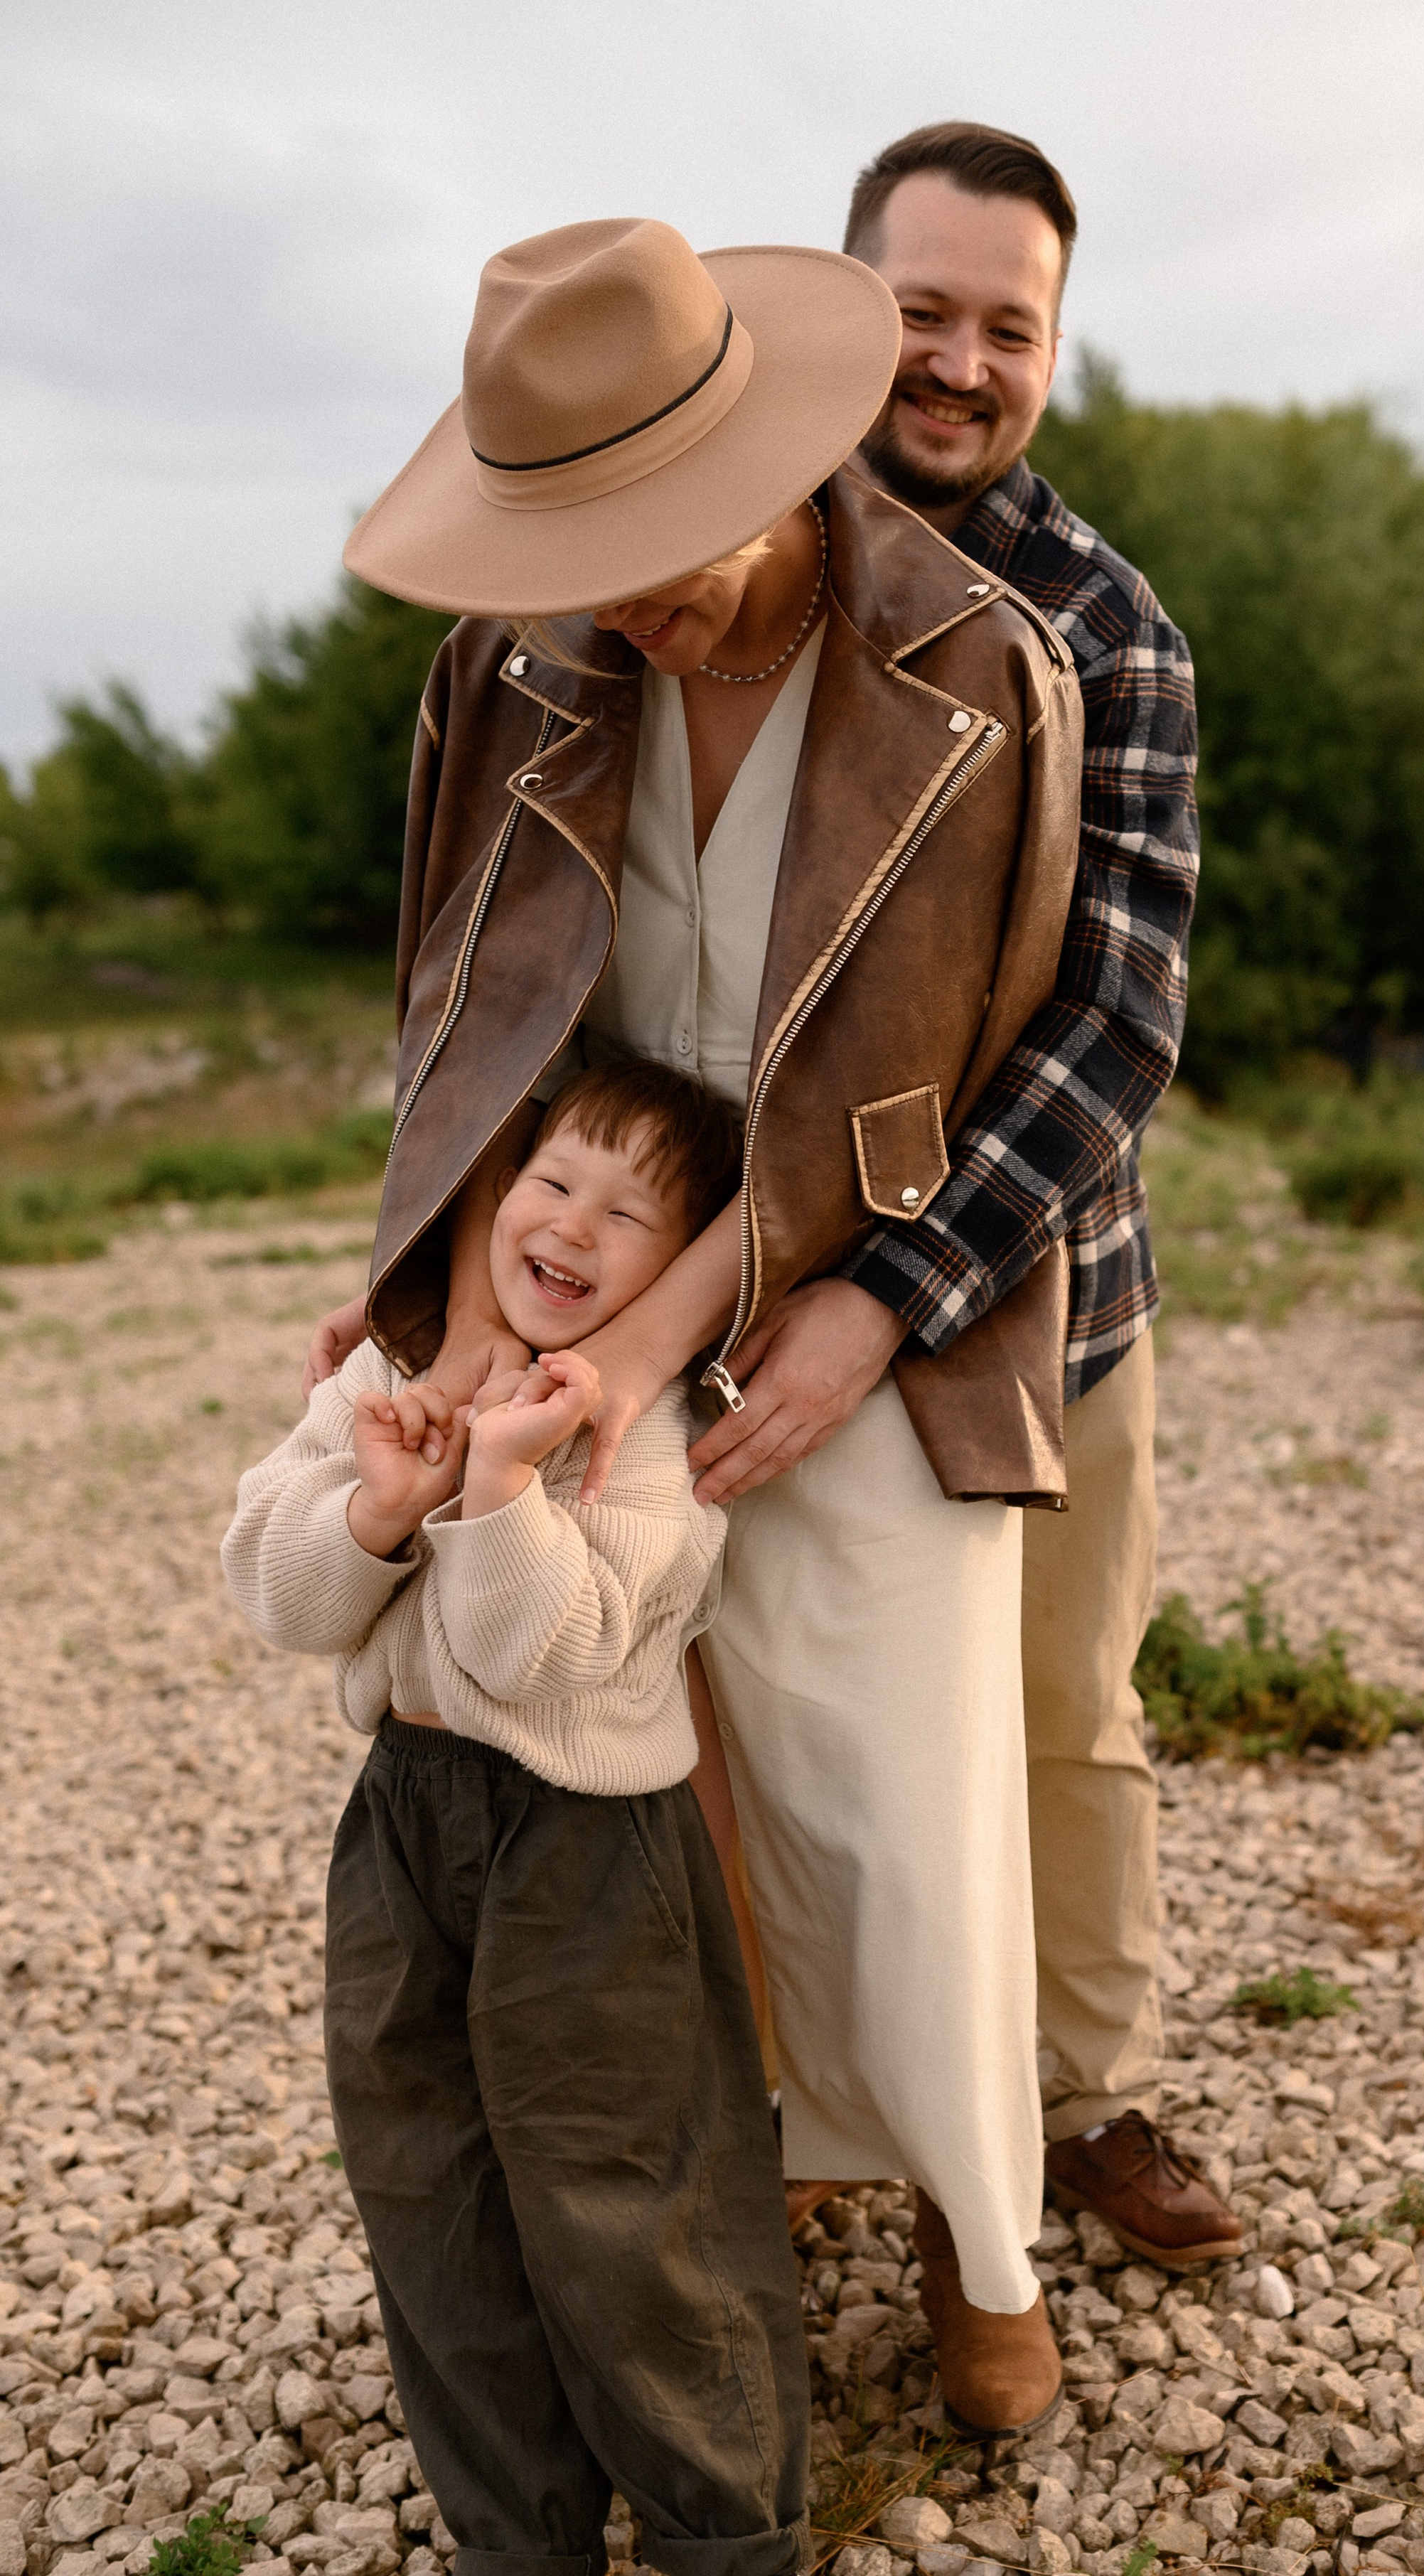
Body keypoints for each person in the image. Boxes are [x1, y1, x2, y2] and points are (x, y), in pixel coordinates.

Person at [306, 213, 1086, 2432]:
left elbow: (953, 1069)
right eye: (574, 544)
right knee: (634, 1765)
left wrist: (688, 1342)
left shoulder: (973, 665)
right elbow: (459, 1018)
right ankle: (740, 2180)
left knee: (900, 1786)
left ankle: (981, 2224)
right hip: (576, 1253)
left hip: (859, 1277)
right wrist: (459, 1312)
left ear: (770, 441)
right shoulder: (516, 664)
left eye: (655, 537)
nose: (620, 595)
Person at [223, 1058, 855, 2576]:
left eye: (628, 1213)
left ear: (678, 1278)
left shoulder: (652, 1438)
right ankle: (520, 2567)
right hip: (404, 1830)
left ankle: (742, 2551)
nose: (568, 1226)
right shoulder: (393, 1366)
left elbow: (546, 1645)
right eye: (550, 1178)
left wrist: (500, 1490)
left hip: (592, 1844)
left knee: (632, 2184)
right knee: (428, 2180)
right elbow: (280, 1592)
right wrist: (381, 1495)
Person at [835, 122, 1244, 2270]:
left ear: (1055, 351)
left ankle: (1088, 2101)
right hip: (760, 1290)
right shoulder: (737, 567)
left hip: (1060, 1281)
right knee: (795, 1712)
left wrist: (898, 1280)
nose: (964, 360)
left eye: (1011, 324)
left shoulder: (1118, 632)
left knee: (1070, 1709)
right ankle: (831, 2113)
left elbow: (1116, 1028)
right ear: (844, 307)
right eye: (925, 309)